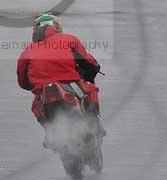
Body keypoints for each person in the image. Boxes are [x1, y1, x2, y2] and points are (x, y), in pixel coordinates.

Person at [16, 12, 103, 148]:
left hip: (43, 91)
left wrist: (33, 84)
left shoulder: (27, 51)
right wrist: (94, 68)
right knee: (91, 90)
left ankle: (49, 133)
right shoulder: (69, 39)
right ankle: (93, 123)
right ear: (57, 27)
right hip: (70, 83)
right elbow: (87, 61)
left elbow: (22, 81)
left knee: (36, 108)